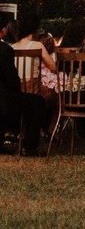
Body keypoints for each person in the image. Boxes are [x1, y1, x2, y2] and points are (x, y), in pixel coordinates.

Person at [0, 13, 50, 155]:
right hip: (3, 98)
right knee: (37, 102)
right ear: (3, 30)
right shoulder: (4, 50)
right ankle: (30, 146)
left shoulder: (9, 48)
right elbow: (11, 80)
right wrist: (17, 90)